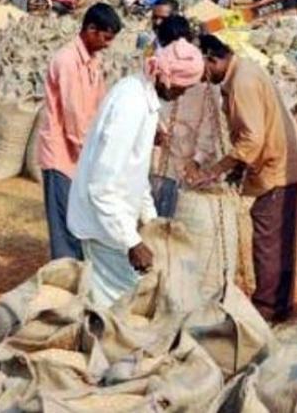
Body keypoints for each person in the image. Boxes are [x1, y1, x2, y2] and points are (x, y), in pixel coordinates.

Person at [67, 33, 205, 307]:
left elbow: (135, 174)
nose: (182, 93)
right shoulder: (130, 104)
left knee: (130, 302)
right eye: (182, 87)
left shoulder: (144, 98)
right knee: (121, 307)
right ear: (167, 77)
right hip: (104, 226)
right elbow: (102, 186)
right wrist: (132, 242)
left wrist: (151, 221)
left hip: (116, 223)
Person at [190, 34, 297, 323]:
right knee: (278, 240)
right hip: (278, 162)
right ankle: (278, 305)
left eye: (201, 65)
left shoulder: (242, 82)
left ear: (212, 58)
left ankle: (267, 311)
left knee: (268, 241)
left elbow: (252, 139)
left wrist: (215, 170)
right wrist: (237, 169)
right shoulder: (241, 73)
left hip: (276, 168)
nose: (200, 75)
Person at [38, 3, 123, 260]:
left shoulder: (93, 61)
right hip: (62, 155)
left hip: (82, 153)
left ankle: (79, 275)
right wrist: (92, 153)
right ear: (90, 29)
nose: (108, 45)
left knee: (81, 221)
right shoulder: (67, 61)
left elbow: (99, 102)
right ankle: (66, 282)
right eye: (105, 38)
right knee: (65, 224)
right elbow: (73, 114)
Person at [149, 15, 208, 218]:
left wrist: (198, 160)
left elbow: (208, 126)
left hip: (194, 165)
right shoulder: (159, 68)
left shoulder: (197, 71)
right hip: (164, 162)